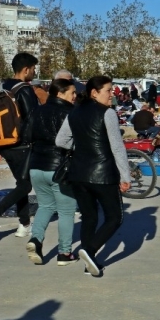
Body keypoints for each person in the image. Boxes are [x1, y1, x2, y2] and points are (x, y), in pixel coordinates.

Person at [55, 76, 132, 277]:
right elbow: (117, 146)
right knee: (115, 217)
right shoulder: (107, 113)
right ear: (94, 93)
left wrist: (82, 146)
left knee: (89, 217)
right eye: (108, 90)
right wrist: (125, 175)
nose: (112, 94)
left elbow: (61, 140)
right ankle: (89, 251)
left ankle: (88, 263)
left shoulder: (74, 113)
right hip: (103, 173)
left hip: (78, 174)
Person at [24, 79, 78, 266]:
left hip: (36, 166)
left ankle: (36, 239)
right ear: (60, 94)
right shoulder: (70, 113)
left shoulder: (38, 110)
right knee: (66, 211)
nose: (75, 96)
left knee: (45, 206)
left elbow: (27, 136)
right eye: (72, 92)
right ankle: (64, 253)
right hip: (60, 168)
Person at [0, 52, 40, 237]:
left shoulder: (3, 86)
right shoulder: (24, 89)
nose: (34, 72)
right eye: (33, 69)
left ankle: (24, 224)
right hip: (21, 144)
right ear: (25, 69)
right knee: (25, 186)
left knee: (21, 182)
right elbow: (32, 118)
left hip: (4, 143)